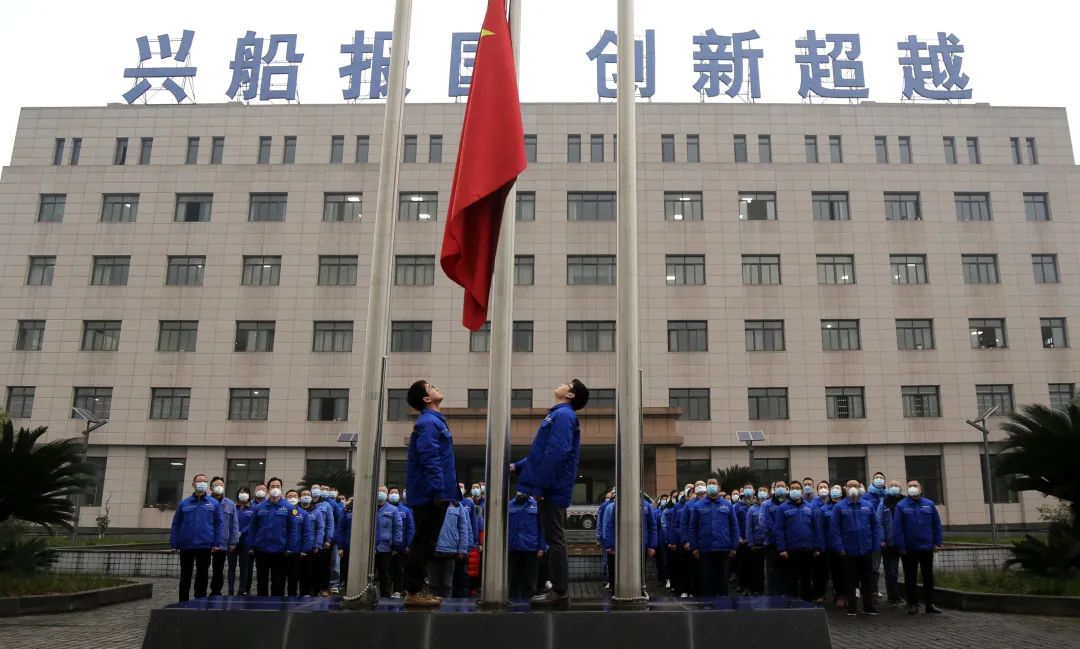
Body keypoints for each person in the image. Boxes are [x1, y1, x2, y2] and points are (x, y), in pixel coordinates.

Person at [511, 379, 589, 607]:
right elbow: (540, 454)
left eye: (567, 384)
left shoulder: (563, 415)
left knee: (555, 539)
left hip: (552, 488)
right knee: (553, 538)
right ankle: (558, 590)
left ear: (570, 395)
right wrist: (519, 466)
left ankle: (559, 591)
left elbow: (557, 452)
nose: (562, 384)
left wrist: (540, 486)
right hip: (551, 486)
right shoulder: (558, 414)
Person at [403, 380, 459, 607]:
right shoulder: (428, 422)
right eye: (431, 387)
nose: (436, 388)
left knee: (427, 541)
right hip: (430, 493)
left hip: (434, 492)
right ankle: (414, 591)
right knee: (424, 542)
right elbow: (430, 457)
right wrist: (438, 489)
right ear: (427, 398)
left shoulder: (434, 420)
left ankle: (417, 589)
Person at [170, 473, 226, 602]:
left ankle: (200, 601)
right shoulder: (184, 503)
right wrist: (174, 543)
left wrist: (216, 543)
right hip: (186, 545)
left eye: (204, 481)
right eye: (199, 481)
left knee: (202, 575)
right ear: (193, 484)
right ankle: (183, 602)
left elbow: (218, 524)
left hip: (205, 546)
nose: (202, 483)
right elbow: (176, 524)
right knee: (185, 576)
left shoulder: (213, 503)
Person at [830, 481, 882, 616]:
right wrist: (839, 546)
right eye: (850, 486)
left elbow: (876, 526)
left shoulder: (868, 505)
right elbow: (834, 529)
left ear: (860, 488)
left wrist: (875, 545)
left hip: (866, 549)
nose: (853, 488)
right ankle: (852, 607)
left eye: (856, 486)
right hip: (848, 550)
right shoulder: (839, 507)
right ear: (845, 489)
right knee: (850, 580)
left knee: (867, 579)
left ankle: (868, 606)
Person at [895, 480, 944, 615]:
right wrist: (900, 545)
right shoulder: (901, 505)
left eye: (915, 486)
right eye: (910, 486)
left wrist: (937, 542)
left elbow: (936, 524)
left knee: (928, 576)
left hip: (926, 547)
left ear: (920, 489)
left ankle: (930, 604)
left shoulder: (929, 504)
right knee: (910, 577)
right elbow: (898, 528)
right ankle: (913, 603)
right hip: (909, 548)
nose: (912, 488)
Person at [688, 479, 740, 597]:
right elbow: (692, 528)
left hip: (723, 549)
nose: (711, 485)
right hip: (705, 549)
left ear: (719, 488)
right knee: (706, 582)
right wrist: (694, 547)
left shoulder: (727, 505)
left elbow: (734, 526)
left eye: (713, 484)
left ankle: (723, 606)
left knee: (723, 581)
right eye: (709, 484)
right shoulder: (698, 505)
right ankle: (708, 606)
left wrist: (734, 546)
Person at [599, 490, 657, 593]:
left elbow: (652, 526)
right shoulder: (618, 505)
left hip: (641, 545)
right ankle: (619, 590)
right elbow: (611, 526)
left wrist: (652, 546)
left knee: (640, 570)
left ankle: (640, 590)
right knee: (622, 570)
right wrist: (610, 546)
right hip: (622, 545)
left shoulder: (645, 506)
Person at [247, 477, 295, 596]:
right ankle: (262, 603)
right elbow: (252, 528)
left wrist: (290, 547)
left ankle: (276, 605)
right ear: (268, 489)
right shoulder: (259, 507)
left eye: (278, 486)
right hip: (261, 549)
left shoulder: (289, 507)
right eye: (273, 486)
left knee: (278, 581)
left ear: (281, 489)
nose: (275, 488)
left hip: (280, 550)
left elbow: (293, 529)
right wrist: (250, 546)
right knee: (261, 580)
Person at [773, 480, 816, 602]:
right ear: (789, 490)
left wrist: (817, 547)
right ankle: (792, 602)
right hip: (790, 549)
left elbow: (815, 528)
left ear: (801, 491)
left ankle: (807, 602)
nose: (795, 490)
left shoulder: (810, 507)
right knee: (791, 578)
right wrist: (782, 548)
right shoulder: (782, 508)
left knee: (807, 577)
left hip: (808, 548)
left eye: (797, 488)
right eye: (792, 488)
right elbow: (778, 529)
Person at [508, 491, 547, 600]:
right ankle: (512, 601)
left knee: (530, 580)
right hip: (513, 548)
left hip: (531, 548)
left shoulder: (536, 505)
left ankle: (529, 602)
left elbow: (542, 527)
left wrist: (541, 547)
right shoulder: (509, 505)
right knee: (513, 579)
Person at [428, 499, 470, 598]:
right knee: (433, 584)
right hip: (432, 549)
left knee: (447, 584)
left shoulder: (457, 505)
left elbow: (463, 528)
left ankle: (447, 606)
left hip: (450, 550)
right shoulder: (430, 503)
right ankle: (433, 606)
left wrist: (462, 549)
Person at [207, 477, 239, 597]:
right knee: (203, 569)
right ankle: (201, 593)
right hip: (206, 541)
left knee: (218, 570)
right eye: (216, 484)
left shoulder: (230, 504)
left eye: (221, 484)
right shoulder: (206, 502)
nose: (219, 487)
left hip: (222, 542)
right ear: (211, 487)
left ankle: (216, 592)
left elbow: (234, 524)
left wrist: (233, 542)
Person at [818, 485, 846, 608]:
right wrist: (822, 546)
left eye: (838, 488)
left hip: (847, 544)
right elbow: (820, 529)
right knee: (836, 572)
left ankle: (847, 595)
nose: (835, 491)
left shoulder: (846, 506)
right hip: (831, 546)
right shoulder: (824, 509)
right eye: (833, 488)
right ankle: (839, 595)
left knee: (847, 572)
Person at [374, 485, 404, 598]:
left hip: (386, 547)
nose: (381, 493)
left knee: (385, 575)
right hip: (371, 548)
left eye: (383, 491)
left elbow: (398, 528)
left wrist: (396, 545)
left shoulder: (393, 510)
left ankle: (385, 597)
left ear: (386, 494)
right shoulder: (370, 508)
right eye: (379, 491)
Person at [760, 480, 788, 596]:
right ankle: (772, 596)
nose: (780, 488)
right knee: (772, 572)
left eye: (782, 486)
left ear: (786, 489)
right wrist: (779, 536)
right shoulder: (766, 505)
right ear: (774, 489)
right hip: (772, 543)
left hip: (787, 544)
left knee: (786, 572)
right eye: (778, 486)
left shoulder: (789, 503)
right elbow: (765, 524)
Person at [880, 480, 905, 606]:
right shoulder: (884, 502)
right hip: (889, 543)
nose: (894, 488)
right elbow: (879, 522)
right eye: (891, 486)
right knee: (891, 571)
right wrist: (882, 539)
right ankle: (893, 596)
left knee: (908, 570)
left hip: (904, 542)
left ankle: (909, 597)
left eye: (896, 486)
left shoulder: (905, 501)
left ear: (901, 488)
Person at [680, 481, 707, 597]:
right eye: (697, 485)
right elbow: (684, 524)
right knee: (692, 568)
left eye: (702, 484)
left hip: (706, 542)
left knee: (705, 569)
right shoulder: (689, 504)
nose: (700, 486)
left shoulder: (709, 502)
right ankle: (691, 591)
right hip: (693, 541)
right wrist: (686, 541)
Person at [283, 489, 312, 596]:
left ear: (298, 498)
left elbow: (307, 533)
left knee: (293, 577)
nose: (293, 498)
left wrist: (305, 549)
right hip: (281, 550)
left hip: (296, 551)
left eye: (295, 496)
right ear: (285, 498)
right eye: (290, 496)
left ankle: (292, 597)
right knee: (279, 578)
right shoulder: (281, 511)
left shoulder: (303, 513)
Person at [309, 484, 336, 595]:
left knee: (324, 565)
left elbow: (330, 523)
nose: (315, 490)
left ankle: (324, 588)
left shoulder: (326, 505)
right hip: (310, 540)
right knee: (311, 566)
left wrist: (328, 539)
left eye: (317, 489)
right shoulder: (308, 504)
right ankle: (313, 589)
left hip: (324, 540)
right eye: (313, 488)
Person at [744, 486, 769, 595]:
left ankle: (768, 590)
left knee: (770, 569)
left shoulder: (770, 507)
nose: (762, 493)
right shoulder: (752, 509)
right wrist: (750, 543)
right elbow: (749, 528)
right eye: (760, 491)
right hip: (757, 544)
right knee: (756, 568)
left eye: (765, 491)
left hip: (769, 543)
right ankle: (757, 589)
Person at [297, 489, 323, 596]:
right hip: (297, 546)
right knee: (298, 572)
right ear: (300, 497)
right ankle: (300, 593)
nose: (306, 496)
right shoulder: (295, 510)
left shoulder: (316, 512)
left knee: (310, 572)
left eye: (308, 494)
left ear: (311, 498)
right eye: (304, 494)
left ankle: (311, 592)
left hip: (311, 547)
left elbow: (320, 529)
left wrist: (317, 544)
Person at [809, 480, 831, 602]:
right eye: (821, 487)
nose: (823, 489)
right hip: (819, 543)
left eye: (825, 487)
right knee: (819, 571)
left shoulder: (833, 503)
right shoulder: (813, 505)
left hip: (831, 542)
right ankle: (819, 594)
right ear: (817, 491)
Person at [389, 487, 412, 597]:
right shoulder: (383, 509)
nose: (394, 494)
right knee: (387, 570)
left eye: (396, 493)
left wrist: (408, 544)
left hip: (401, 547)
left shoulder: (406, 510)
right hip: (386, 546)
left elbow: (410, 528)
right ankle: (387, 591)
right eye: (391, 493)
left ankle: (398, 590)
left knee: (399, 570)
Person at [234, 487, 255, 595]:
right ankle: (231, 588)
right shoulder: (233, 507)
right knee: (232, 566)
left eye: (246, 492)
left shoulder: (252, 509)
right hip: (233, 541)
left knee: (244, 567)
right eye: (241, 492)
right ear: (238, 494)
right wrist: (234, 532)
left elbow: (252, 524)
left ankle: (242, 588)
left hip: (246, 541)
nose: (243, 494)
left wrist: (242, 532)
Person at [335, 498, 354, 592]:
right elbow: (340, 529)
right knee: (346, 569)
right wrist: (340, 547)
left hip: (363, 547)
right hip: (347, 546)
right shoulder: (346, 510)